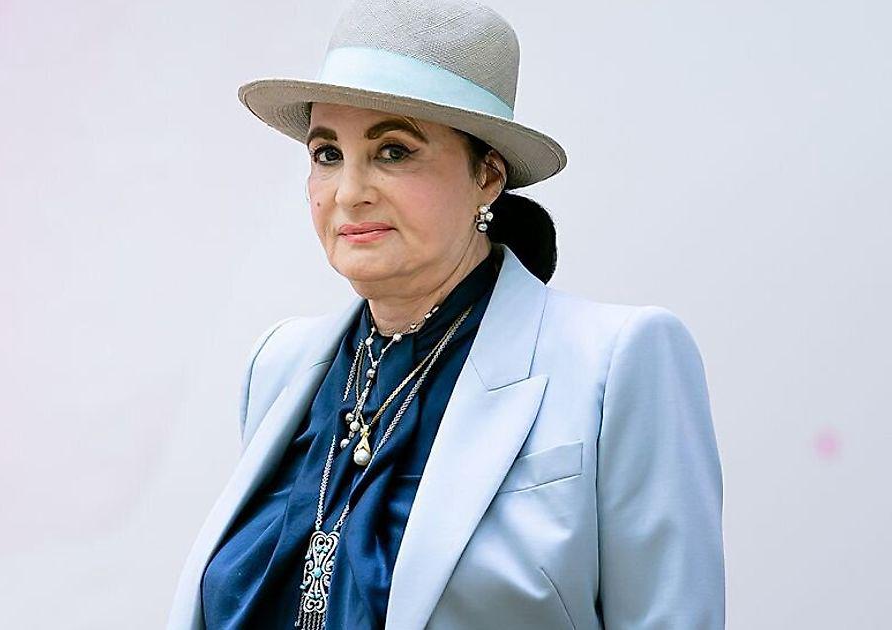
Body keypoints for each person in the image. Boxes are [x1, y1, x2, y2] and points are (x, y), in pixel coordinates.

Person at [167, 0, 726, 627]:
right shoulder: (279, 363)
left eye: (393, 151)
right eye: (327, 154)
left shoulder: (619, 359)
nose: (349, 192)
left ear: (487, 175)